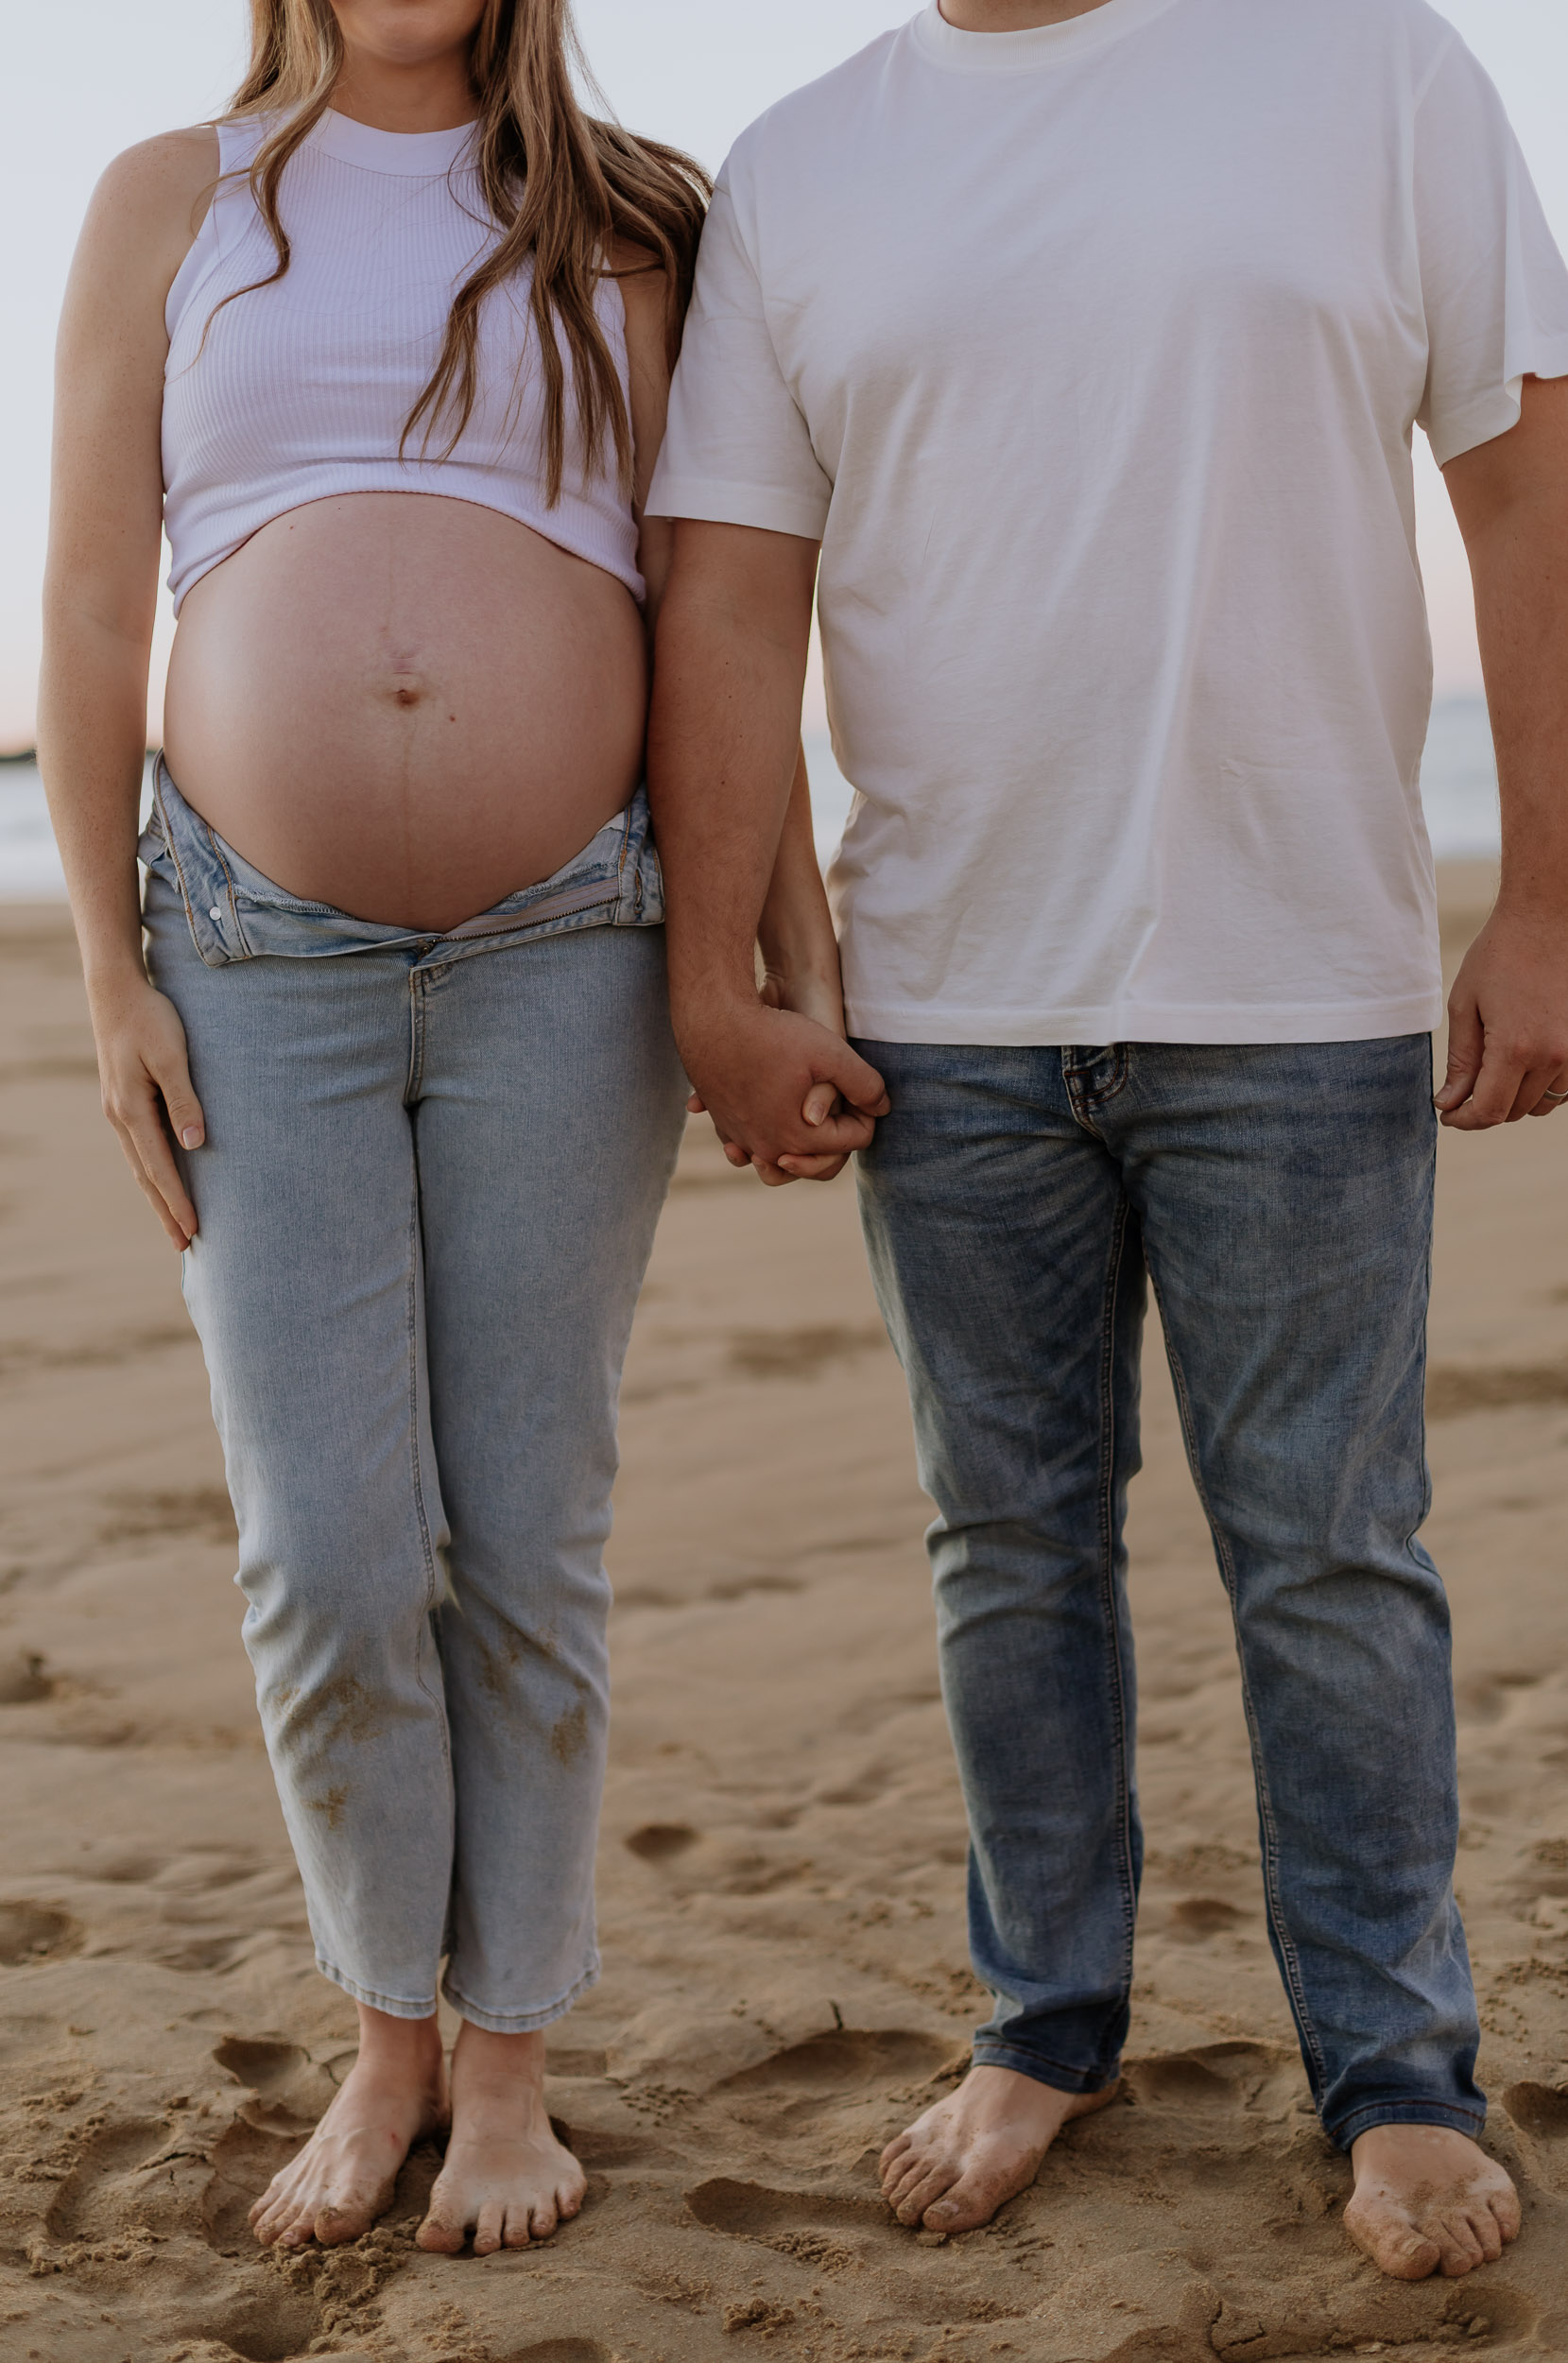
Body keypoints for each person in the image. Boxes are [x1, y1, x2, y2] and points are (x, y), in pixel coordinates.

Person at [646, 0, 1568, 2286]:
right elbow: (736, 588)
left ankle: (1398, 2069)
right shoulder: (804, 160)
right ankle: (1043, 2020)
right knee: (1008, 1549)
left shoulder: (1373, 67)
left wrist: (1545, 892)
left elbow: (1525, 482)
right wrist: (717, 982)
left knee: (1335, 1556)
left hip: (1303, 987)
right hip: (947, 1010)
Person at [39, 0, 843, 2259]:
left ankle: (506, 2065)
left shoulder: (639, 219)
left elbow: (723, 605)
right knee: (322, 1545)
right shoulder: (170, 200)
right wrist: (108, 972)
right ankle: (384, 2026)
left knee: (527, 1525)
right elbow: (101, 597)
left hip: (573, 942)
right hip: (244, 949)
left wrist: (788, 947)